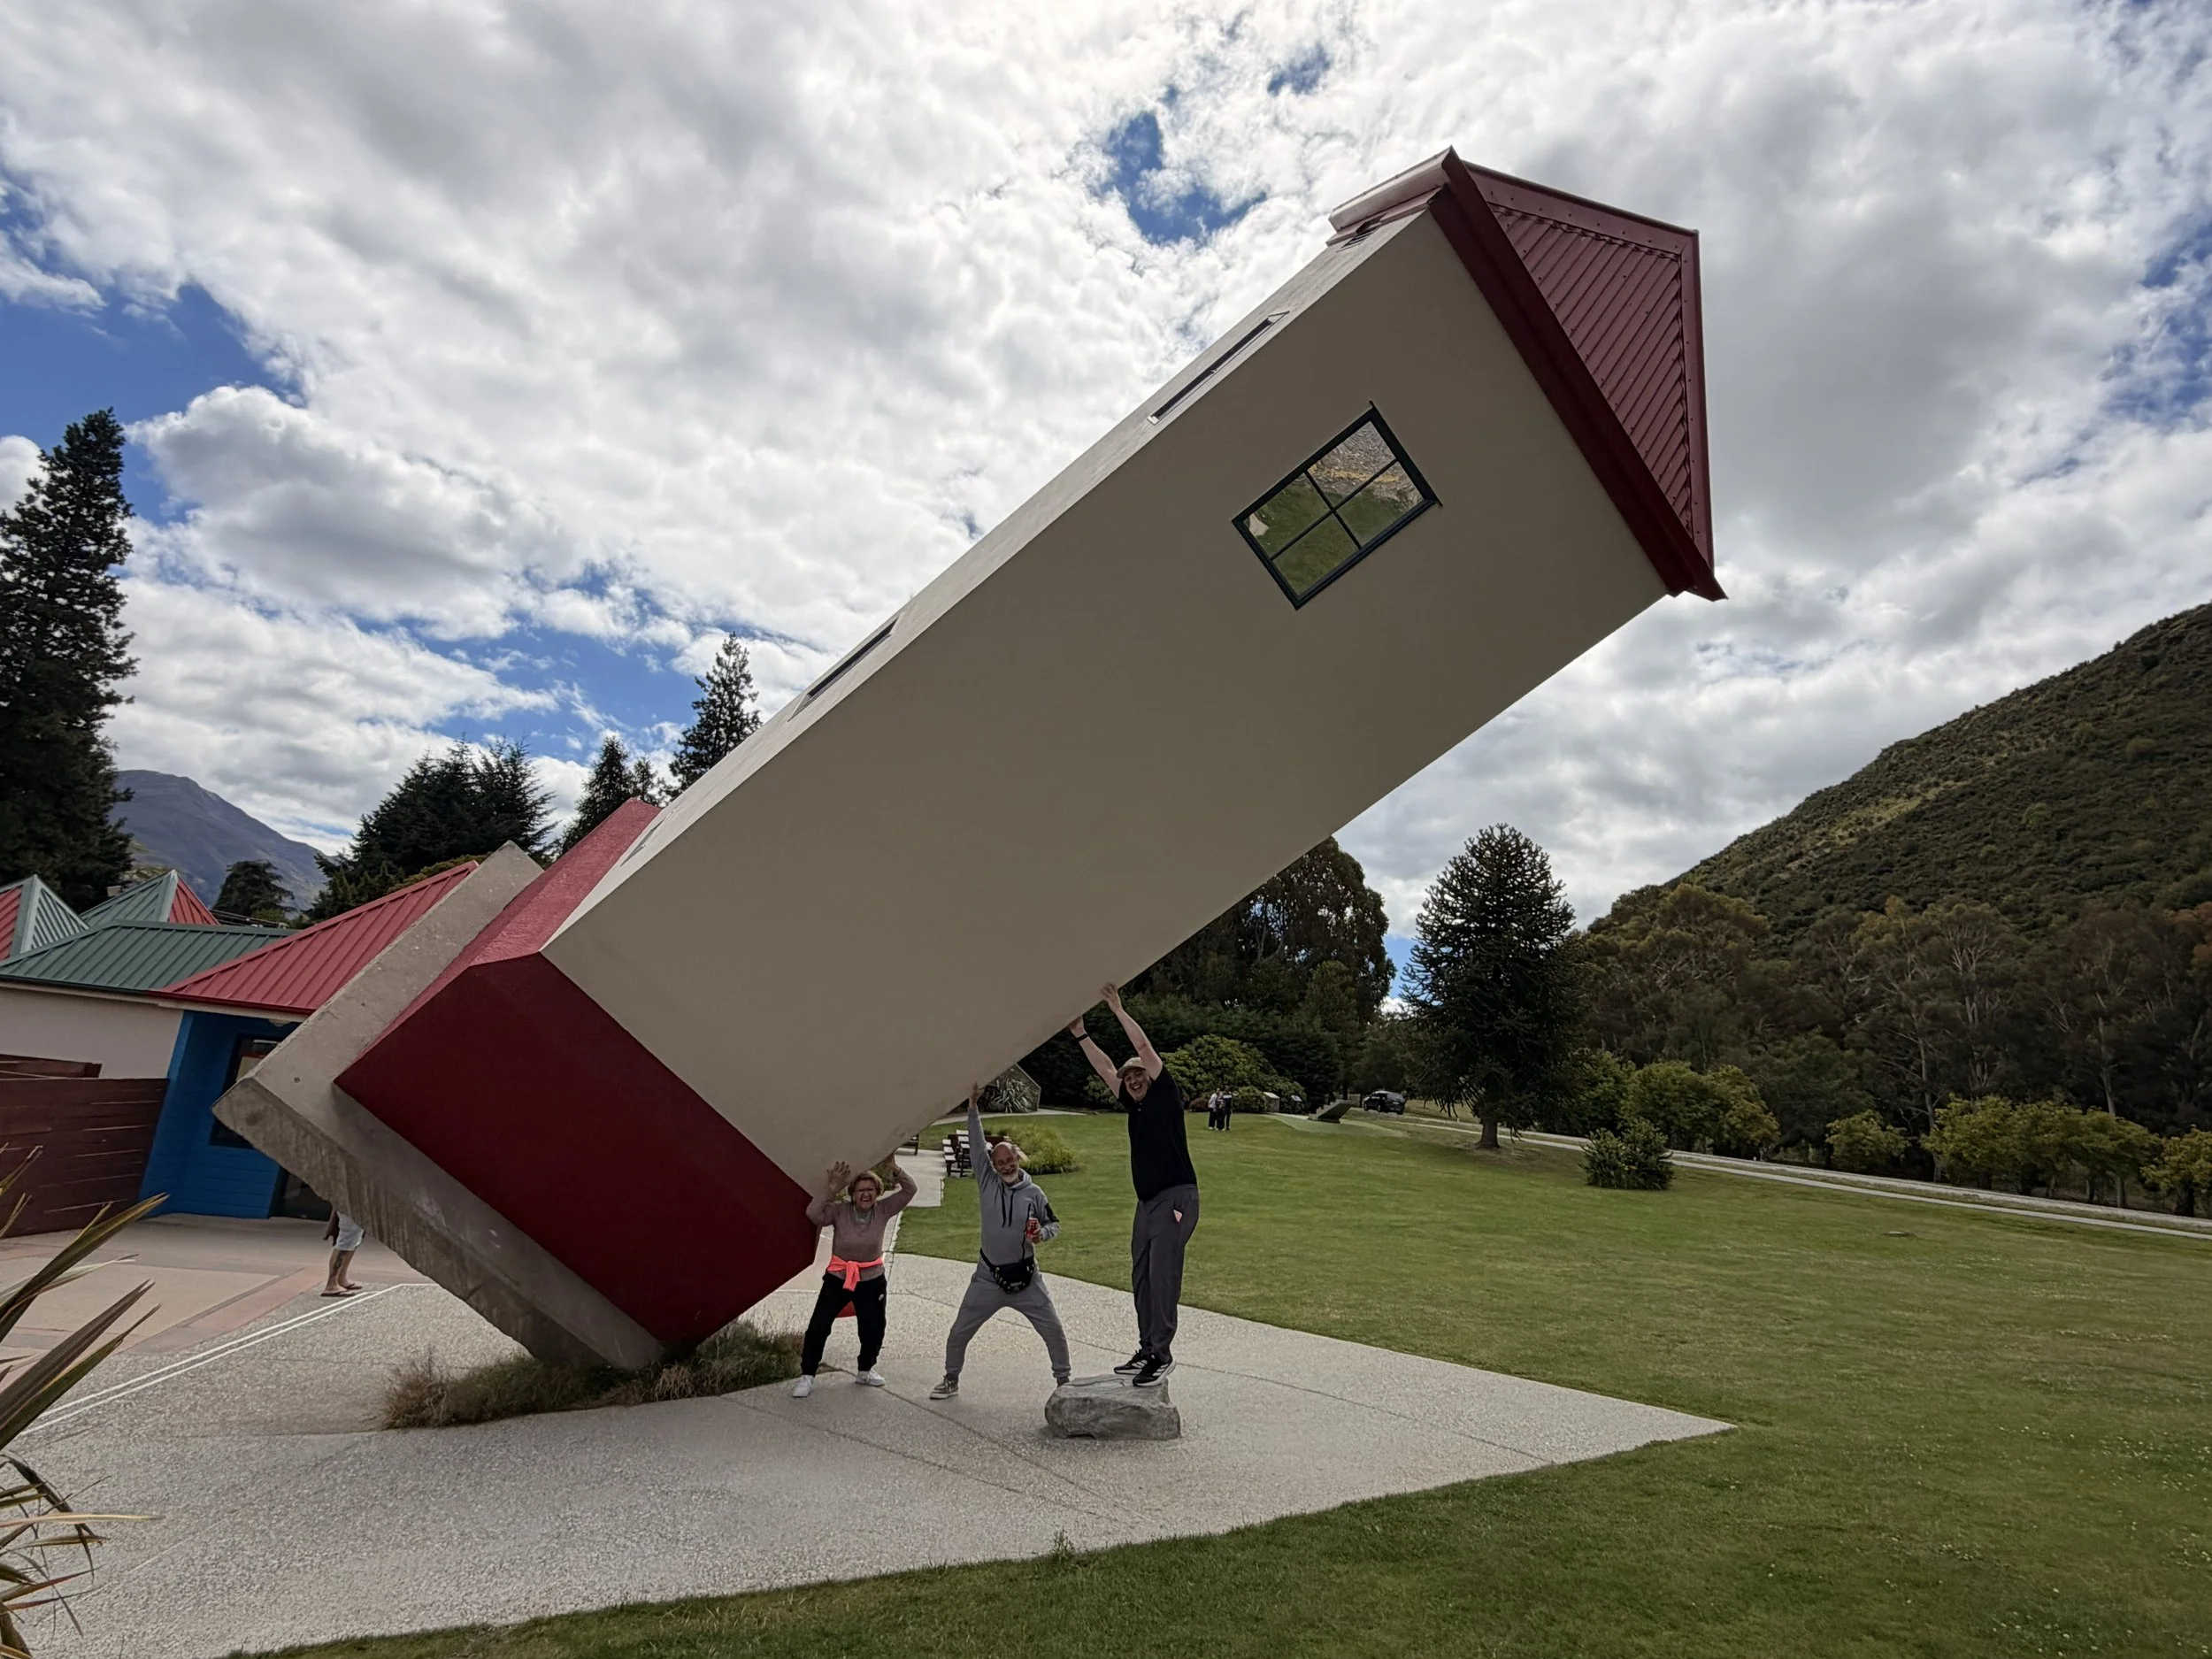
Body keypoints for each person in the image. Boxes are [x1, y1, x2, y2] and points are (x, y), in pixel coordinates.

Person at [1069, 983, 1197, 1387]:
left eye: (1138, 1073)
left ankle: (1162, 1352)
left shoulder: (1164, 1095)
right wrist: (1081, 1034)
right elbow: (1105, 1068)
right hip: (1147, 1204)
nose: (1133, 1079)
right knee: (1141, 1275)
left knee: (1162, 1276)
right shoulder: (1133, 1103)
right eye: (1130, 1078)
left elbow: (1143, 1046)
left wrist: (1117, 1009)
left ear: (1149, 1075)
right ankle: (1146, 1348)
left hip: (1176, 1196)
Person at [929, 1084, 1071, 1400]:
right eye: (1000, 1162)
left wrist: (1042, 1235)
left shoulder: (1034, 1194)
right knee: (959, 1332)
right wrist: (972, 1108)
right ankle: (951, 1379)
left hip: (1027, 1279)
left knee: (1054, 1331)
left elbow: (1053, 1223)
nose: (1006, 1166)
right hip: (988, 1278)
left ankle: (1064, 1383)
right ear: (993, 1166)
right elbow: (978, 1146)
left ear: (1018, 1158)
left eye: (1010, 1160)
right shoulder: (988, 1185)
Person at [795, 1158, 918, 1397]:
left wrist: (894, 1167)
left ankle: (865, 1369)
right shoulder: (840, 1211)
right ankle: (807, 1375)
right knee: (819, 1326)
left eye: (871, 1190)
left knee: (873, 1327)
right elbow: (813, 1213)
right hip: (838, 1277)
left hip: (872, 1279)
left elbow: (910, 1189)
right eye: (861, 1190)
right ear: (852, 1194)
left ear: (877, 1192)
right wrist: (831, 1188)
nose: (866, 1194)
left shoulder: (883, 1210)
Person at [321, 1210, 365, 1297]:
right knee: (347, 1238)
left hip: (357, 1204)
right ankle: (331, 1284)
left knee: (355, 1237)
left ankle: (341, 1279)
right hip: (349, 1204)